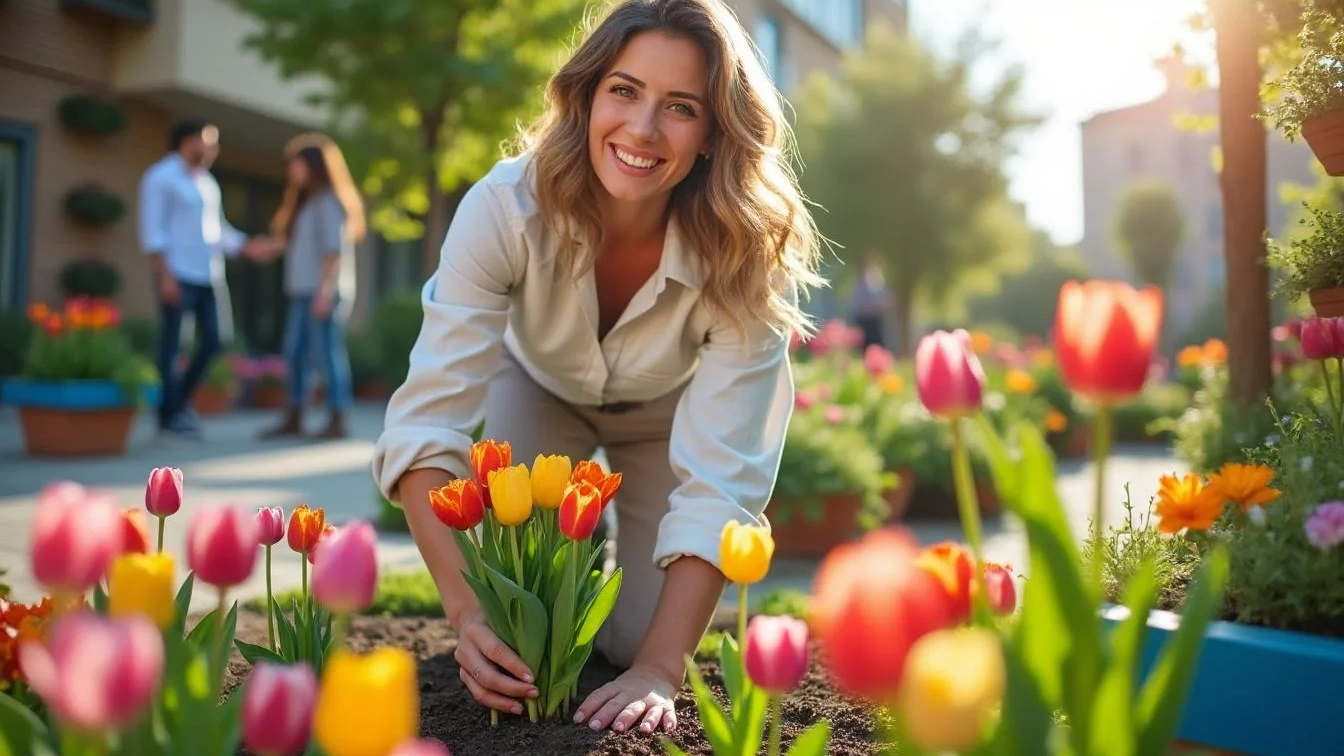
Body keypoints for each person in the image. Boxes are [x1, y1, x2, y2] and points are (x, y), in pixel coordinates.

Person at [371, 0, 822, 738]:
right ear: (586, 96)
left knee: (631, 637)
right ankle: (572, 555)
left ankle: (611, 570)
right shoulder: (503, 208)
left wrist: (660, 669)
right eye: (624, 90)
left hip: (665, 414)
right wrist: (468, 615)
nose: (642, 129)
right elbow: (425, 427)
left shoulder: (746, 254)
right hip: (537, 388)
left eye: (681, 107)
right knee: (522, 631)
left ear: (714, 133)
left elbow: (723, 484)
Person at [138, 119, 268, 438]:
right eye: (208, 141)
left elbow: (216, 230)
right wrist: (164, 275)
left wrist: (247, 246)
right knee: (173, 345)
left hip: (209, 274)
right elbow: (153, 230)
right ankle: (169, 416)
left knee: (215, 340)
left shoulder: (208, 183)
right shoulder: (161, 177)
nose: (214, 149)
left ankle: (178, 402)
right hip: (177, 273)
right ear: (187, 141)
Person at [254, 133, 366, 440]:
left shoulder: (329, 202)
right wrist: (261, 248)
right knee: (295, 353)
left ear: (314, 166)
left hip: (321, 292)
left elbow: (332, 251)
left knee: (326, 355)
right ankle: (295, 414)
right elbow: (292, 243)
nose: (292, 170)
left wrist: (324, 291)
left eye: (297, 164)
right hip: (303, 292)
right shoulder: (307, 203)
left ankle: (337, 418)